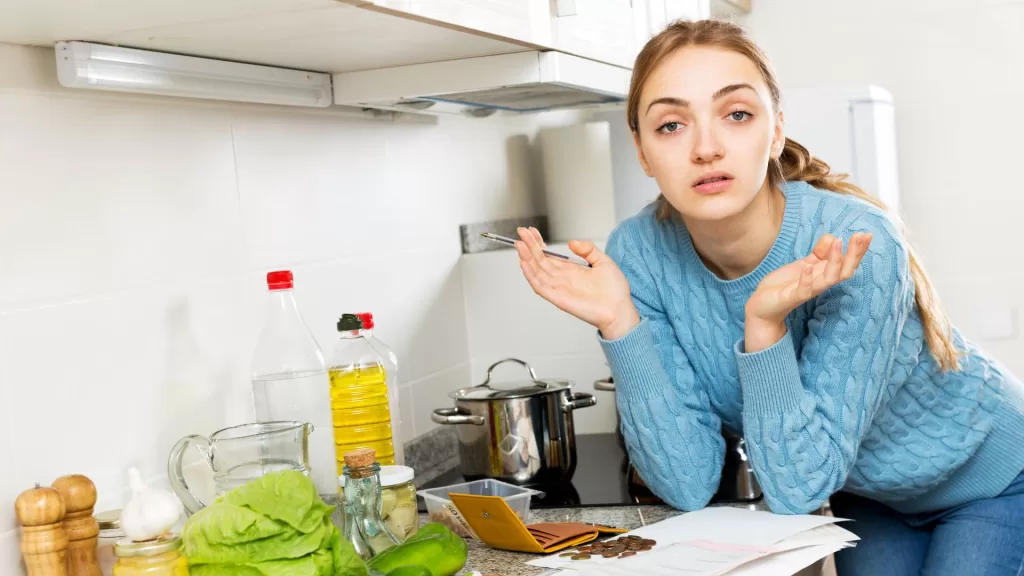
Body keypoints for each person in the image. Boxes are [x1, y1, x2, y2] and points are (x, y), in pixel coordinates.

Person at [513, 19, 1024, 576]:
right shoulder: (637, 254)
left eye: (736, 115)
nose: (707, 148)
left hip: (992, 476)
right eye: (671, 125)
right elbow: (689, 482)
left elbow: (797, 485)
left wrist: (766, 329)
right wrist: (620, 322)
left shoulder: (852, 242)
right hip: (875, 499)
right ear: (641, 149)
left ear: (776, 130)